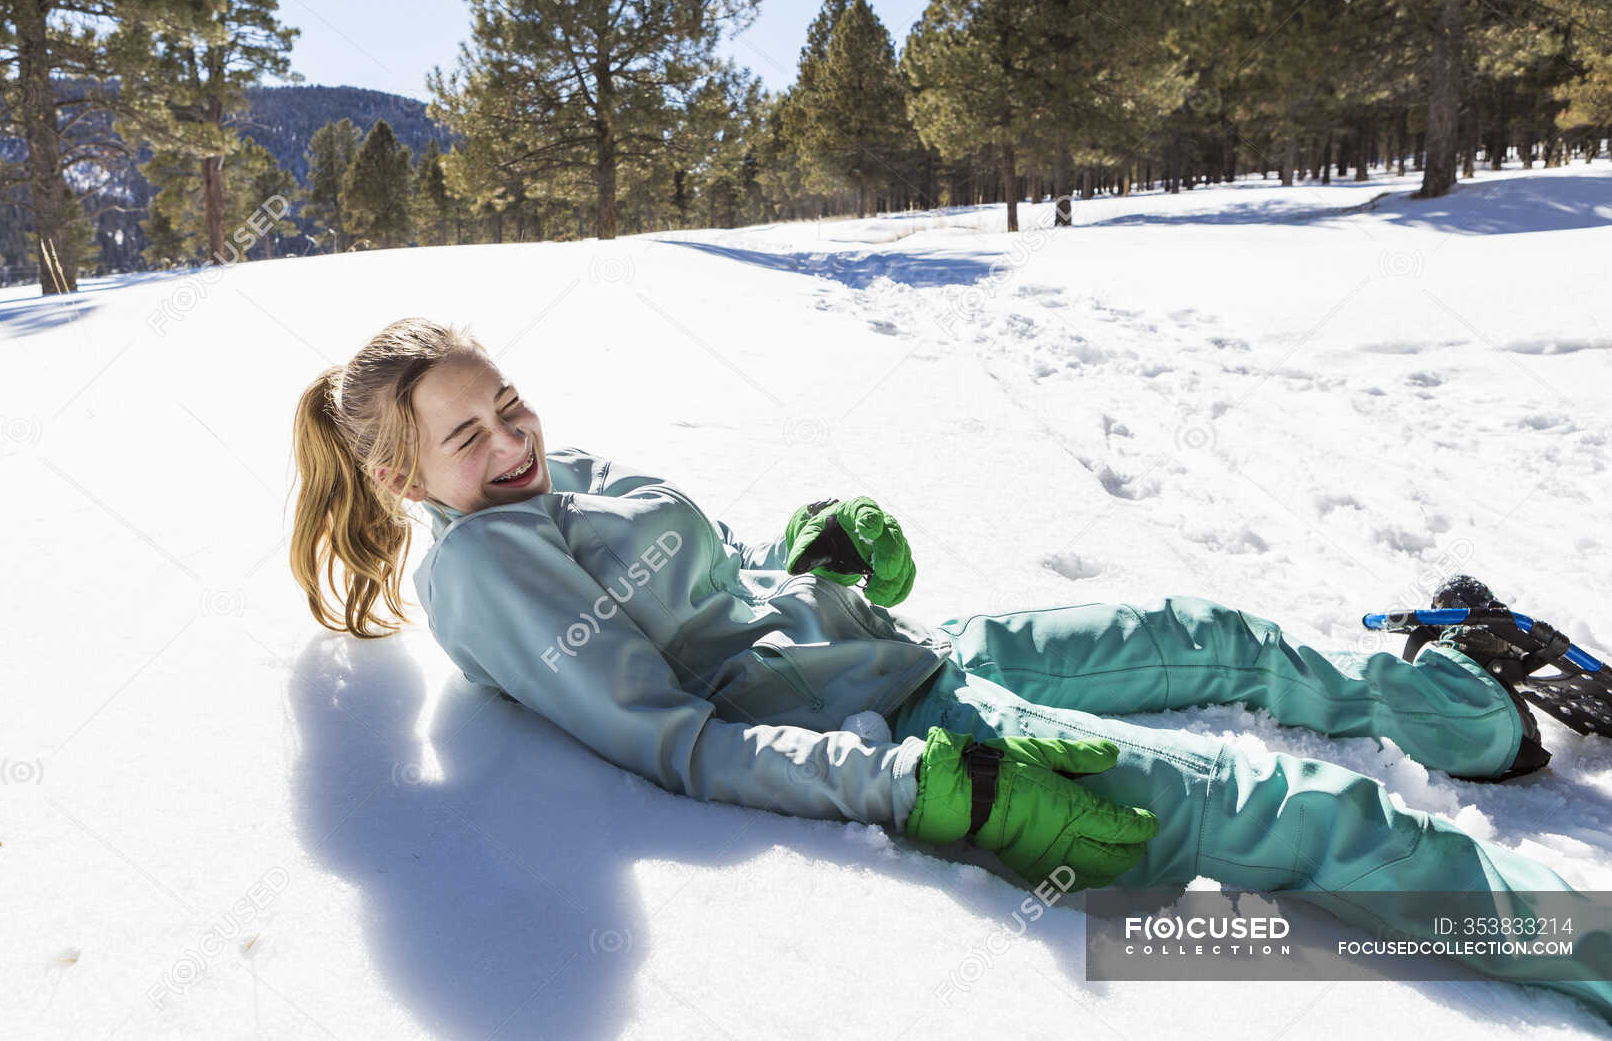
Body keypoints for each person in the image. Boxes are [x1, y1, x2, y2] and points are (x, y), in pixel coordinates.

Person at [289, 316, 1611, 1025]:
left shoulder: (559, 474)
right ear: (404, 479)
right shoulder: (484, 571)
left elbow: (715, 573)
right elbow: (682, 742)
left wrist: (807, 550)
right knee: (1284, 810)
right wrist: (922, 785)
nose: (511, 437)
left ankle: (1488, 720)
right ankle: (1583, 950)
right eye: (468, 436)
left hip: (918, 643)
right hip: (911, 713)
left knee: (1208, 632)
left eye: (508, 400)